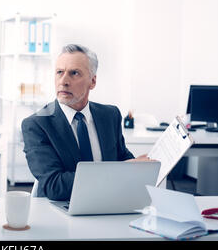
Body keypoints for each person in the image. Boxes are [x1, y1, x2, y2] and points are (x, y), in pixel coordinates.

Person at [21, 44, 152, 201]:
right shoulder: (36, 125)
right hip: (61, 209)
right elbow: (54, 185)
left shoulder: (110, 115)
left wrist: (140, 165)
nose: (63, 81)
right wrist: (121, 170)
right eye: (59, 72)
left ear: (93, 81)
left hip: (108, 203)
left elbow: (122, 159)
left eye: (74, 73)